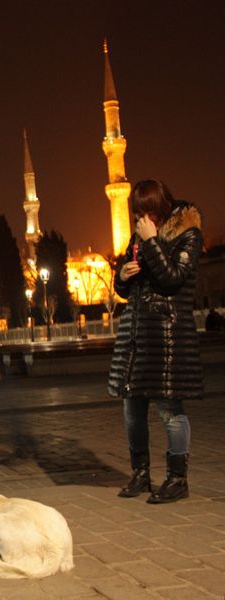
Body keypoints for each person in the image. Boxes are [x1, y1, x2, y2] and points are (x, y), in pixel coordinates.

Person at [108, 180, 203, 504]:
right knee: (132, 407)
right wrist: (122, 277)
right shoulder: (139, 237)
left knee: (169, 408)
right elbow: (127, 289)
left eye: (147, 211)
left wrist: (151, 242)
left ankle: (177, 479)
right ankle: (140, 473)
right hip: (136, 335)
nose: (142, 218)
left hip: (167, 336)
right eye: (138, 213)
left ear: (161, 208)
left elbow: (173, 279)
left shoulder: (188, 234)